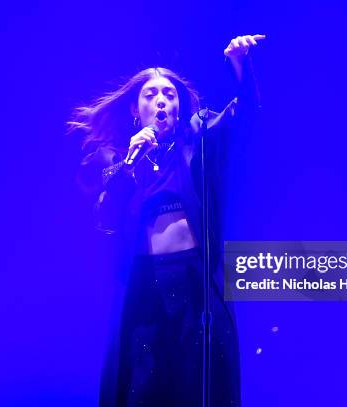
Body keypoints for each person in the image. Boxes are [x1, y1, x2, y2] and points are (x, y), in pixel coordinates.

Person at [70, 34, 264, 407]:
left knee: (200, 386)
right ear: (135, 109)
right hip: (147, 287)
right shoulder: (115, 159)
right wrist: (131, 163)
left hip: (196, 282)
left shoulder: (199, 137)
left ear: (180, 105)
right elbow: (108, 216)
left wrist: (241, 66)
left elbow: (247, 117)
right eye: (151, 94)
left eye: (170, 94)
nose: (162, 100)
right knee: (144, 388)